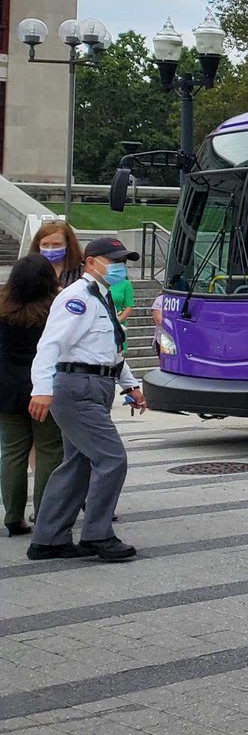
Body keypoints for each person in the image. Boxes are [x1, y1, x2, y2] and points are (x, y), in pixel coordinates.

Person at [25, 236, 145, 562]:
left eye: (123, 261)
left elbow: (109, 349)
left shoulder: (102, 298)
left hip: (95, 385)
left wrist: (129, 385)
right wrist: (41, 389)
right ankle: (97, 534)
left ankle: (49, 539)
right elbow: (50, 345)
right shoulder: (76, 297)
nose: (120, 267)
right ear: (91, 262)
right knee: (112, 458)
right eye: (114, 260)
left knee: (77, 464)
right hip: (77, 388)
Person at [0, 256, 63, 536]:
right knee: (49, 450)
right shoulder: (55, 312)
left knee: (12, 452)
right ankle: (44, 512)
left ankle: (13, 516)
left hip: (6, 389)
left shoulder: (3, 309)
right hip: (44, 389)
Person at [32, 219, 83, 287]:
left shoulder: (82, 272)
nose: (50, 249)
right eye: (45, 244)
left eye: (56, 244)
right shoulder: (29, 271)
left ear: (68, 244)